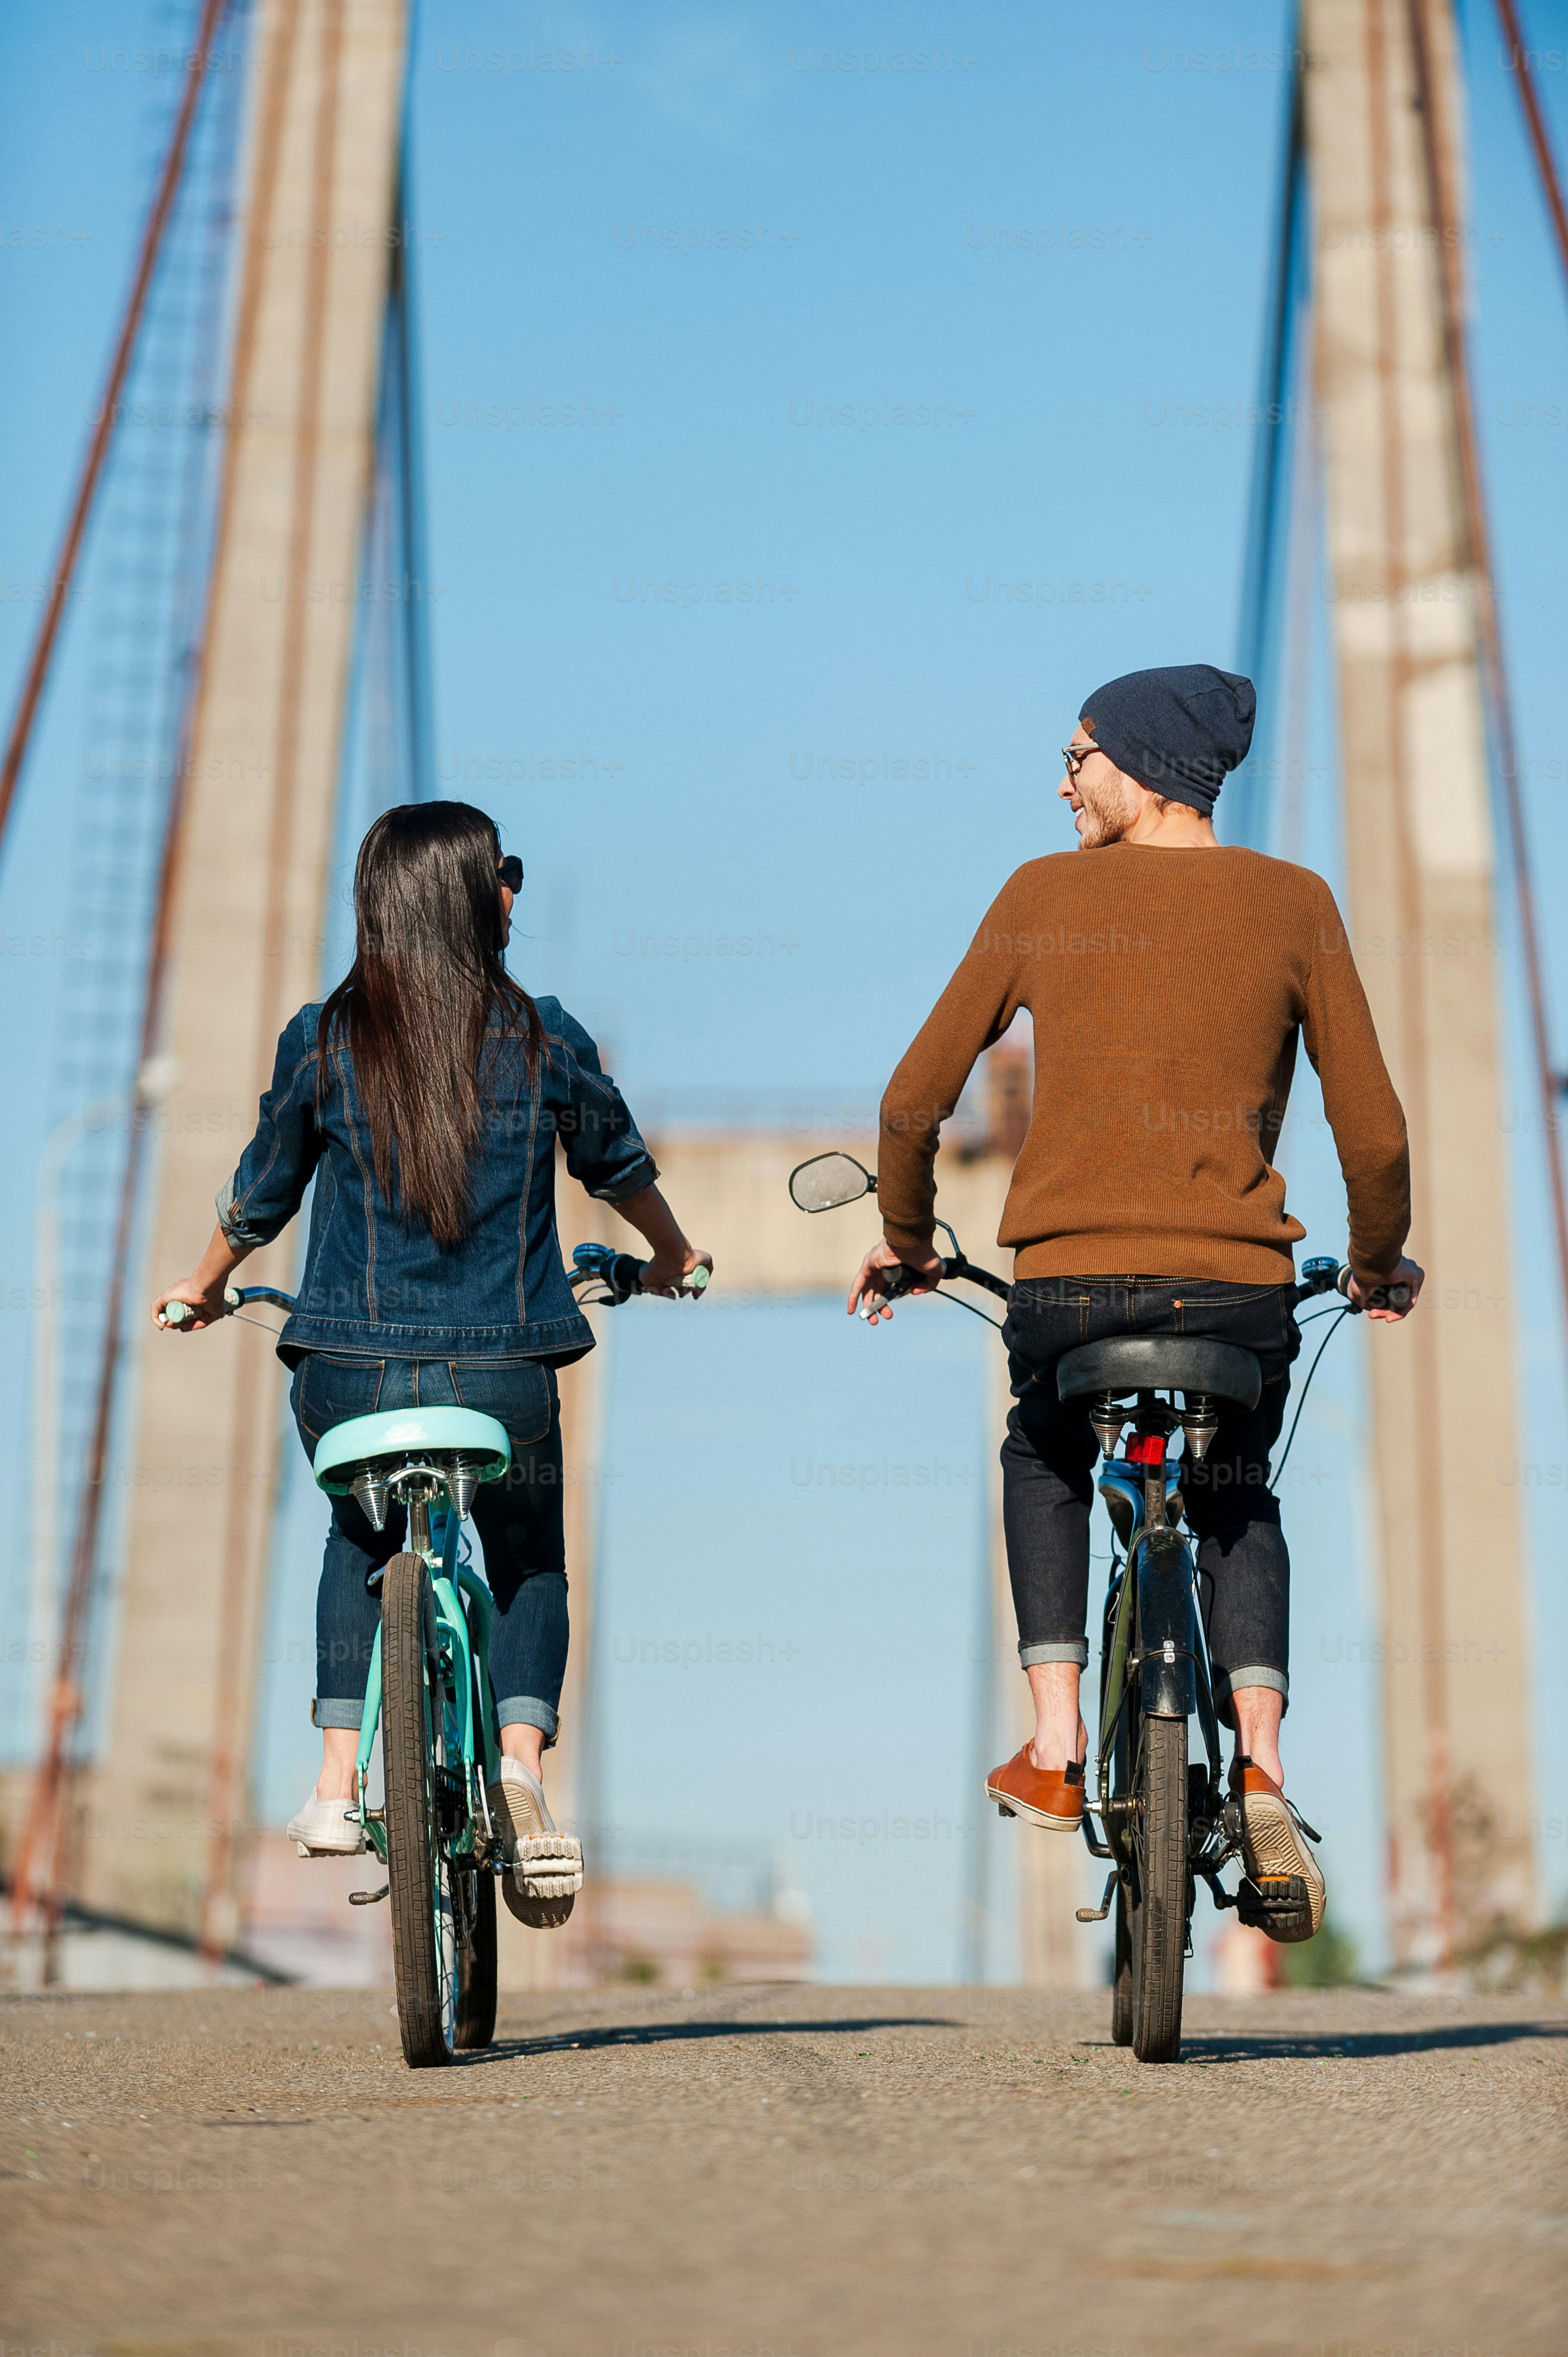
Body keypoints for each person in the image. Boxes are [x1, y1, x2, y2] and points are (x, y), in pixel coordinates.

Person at [848, 665, 1422, 1938]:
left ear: (1144, 763)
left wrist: (907, 1241)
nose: (1061, 783)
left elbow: (908, 1106)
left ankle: (1055, 1741)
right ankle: (1261, 1764)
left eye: (1078, 756)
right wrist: (1378, 1259)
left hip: (1066, 1293)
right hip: (1238, 1298)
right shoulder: (1296, 902)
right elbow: (1372, 1136)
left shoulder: (1043, 896)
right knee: (1236, 1493)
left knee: (1043, 1452)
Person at [152, 800, 710, 1929]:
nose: (516, 888)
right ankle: (519, 1767)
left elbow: (259, 1197)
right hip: (503, 1377)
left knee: (358, 1534)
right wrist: (674, 1254)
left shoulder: (322, 1039)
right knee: (527, 1556)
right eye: (505, 871)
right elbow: (617, 1168)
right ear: (470, 894)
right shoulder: (547, 1036)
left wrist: (203, 1285)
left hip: (348, 1377)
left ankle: (327, 1788)